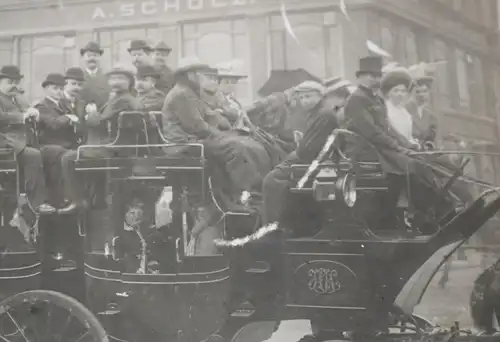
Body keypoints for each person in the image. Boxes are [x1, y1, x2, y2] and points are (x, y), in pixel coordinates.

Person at [261, 79, 351, 226]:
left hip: (316, 162)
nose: (304, 101)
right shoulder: (317, 113)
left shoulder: (324, 115)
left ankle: (273, 226)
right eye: (302, 97)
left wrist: (301, 142)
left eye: (308, 96)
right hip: (318, 159)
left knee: (271, 181)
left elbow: (306, 151)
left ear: (320, 96)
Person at [59, 63, 139, 214]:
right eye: (112, 78)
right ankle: (97, 199)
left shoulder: (123, 100)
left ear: (129, 81)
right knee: (84, 151)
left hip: (113, 148)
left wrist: (91, 113)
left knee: (68, 158)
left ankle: (77, 200)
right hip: (114, 145)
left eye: (120, 78)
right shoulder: (119, 98)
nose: (115, 81)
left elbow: (98, 123)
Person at [0, 65, 55, 213]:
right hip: (5, 141)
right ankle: (36, 202)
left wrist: (34, 113)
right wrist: (21, 117)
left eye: (16, 82)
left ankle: (52, 197)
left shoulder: (19, 99)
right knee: (33, 155)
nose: (14, 86)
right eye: (10, 82)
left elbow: (28, 111)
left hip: (21, 140)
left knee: (48, 153)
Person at [35, 73, 80, 205]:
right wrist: (69, 118)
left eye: (61, 88)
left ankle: (77, 196)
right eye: (55, 88)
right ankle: (62, 197)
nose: (59, 91)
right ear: (46, 89)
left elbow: (76, 120)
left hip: (67, 144)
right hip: (49, 145)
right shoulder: (42, 106)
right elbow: (53, 124)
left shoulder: (65, 105)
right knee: (64, 155)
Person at [408, 64, 437, 148]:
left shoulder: (432, 117)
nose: (421, 95)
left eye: (424, 91)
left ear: (429, 92)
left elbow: (431, 140)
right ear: (411, 93)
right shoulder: (404, 111)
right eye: (417, 92)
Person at [79, 41, 111, 110]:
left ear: (100, 57)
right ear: (83, 57)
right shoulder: (78, 78)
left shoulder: (107, 77)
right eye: (89, 56)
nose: (92, 58)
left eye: (95, 55)